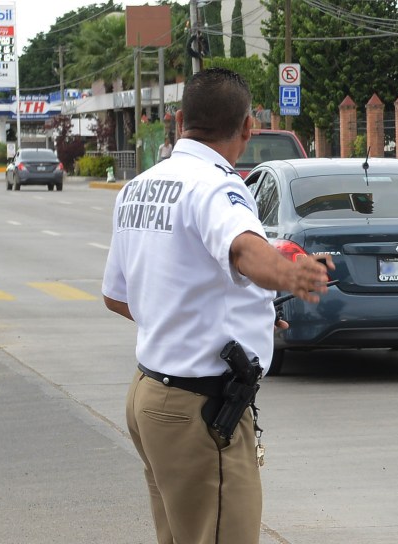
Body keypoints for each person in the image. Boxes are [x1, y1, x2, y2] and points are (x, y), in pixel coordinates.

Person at [101, 68, 334, 544]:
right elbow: (245, 247)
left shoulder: (139, 187)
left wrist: (241, 317)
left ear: (179, 119)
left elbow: (117, 296)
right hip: (199, 412)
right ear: (248, 128)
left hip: (150, 399)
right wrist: (289, 273)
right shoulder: (217, 185)